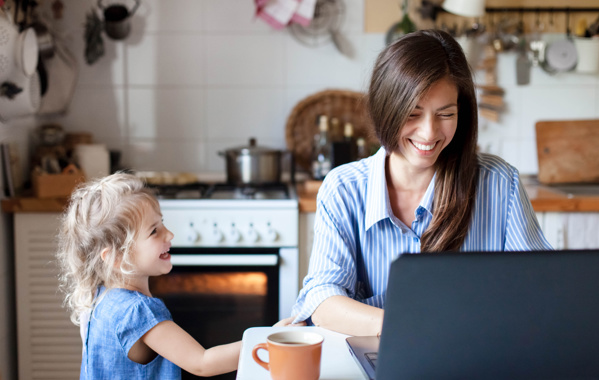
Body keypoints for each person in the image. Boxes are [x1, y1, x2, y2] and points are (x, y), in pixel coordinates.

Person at [291, 29, 552, 337]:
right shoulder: (343, 188)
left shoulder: (499, 184)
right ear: (386, 108)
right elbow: (322, 299)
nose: (429, 133)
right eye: (413, 114)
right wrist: (412, 327)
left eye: (446, 114)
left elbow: (541, 288)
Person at [56, 172, 300, 379]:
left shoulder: (99, 299)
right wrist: (270, 339)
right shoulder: (138, 313)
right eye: (154, 231)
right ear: (116, 257)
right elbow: (202, 362)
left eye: (162, 223)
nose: (169, 234)